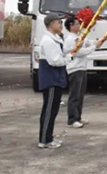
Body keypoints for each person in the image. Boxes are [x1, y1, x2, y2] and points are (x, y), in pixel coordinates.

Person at [63, 16, 104, 128]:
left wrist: (98, 41)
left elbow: (87, 42)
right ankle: (72, 119)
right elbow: (79, 52)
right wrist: (94, 47)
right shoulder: (70, 39)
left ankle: (78, 117)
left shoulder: (78, 37)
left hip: (81, 68)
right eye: (76, 24)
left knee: (80, 95)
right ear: (71, 26)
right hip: (74, 69)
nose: (79, 26)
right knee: (75, 95)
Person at [38, 13, 71, 149]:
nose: (61, 25)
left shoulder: (55, 39)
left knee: (53, 110)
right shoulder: (48, 41)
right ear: (51, 24)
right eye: (59, 23)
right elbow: (55, 61)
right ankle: (44, 140)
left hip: (56, 78)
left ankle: (48, 137)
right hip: (51, 79)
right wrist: (69, 58)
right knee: (49, 111)